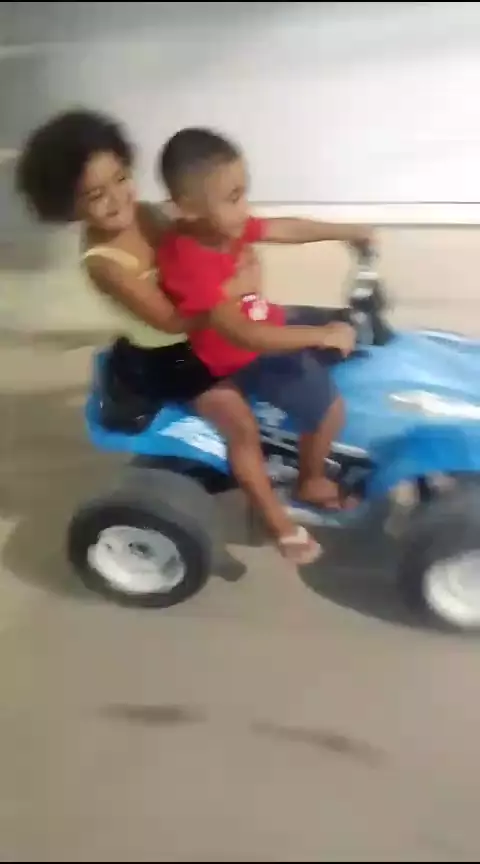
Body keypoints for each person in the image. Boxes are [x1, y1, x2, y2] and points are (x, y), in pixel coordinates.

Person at [15, 109, 324, 565]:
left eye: (121, 178)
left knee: (291, 334)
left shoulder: (148, 214)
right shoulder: (104, 264)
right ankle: (277, 522)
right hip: (173, 356)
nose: (117, 198)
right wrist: (231, 289)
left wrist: (232, 246)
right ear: (68, 208)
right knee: (241, 426)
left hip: (208, 321)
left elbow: (195, 249)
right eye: (96, 195)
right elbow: (171, 321)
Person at [157, 127, 373, 521]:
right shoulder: (188, 260)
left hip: (263, 317)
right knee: (329, 408)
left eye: (244, 193)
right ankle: (310, 480)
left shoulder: (224, 226)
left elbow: (284, 228)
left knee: (350, 325)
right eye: (232, 198)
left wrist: (345, 232)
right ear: (187, 207)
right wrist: (319, 335)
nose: (245, 210)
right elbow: (244, 335)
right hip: (240, 357)